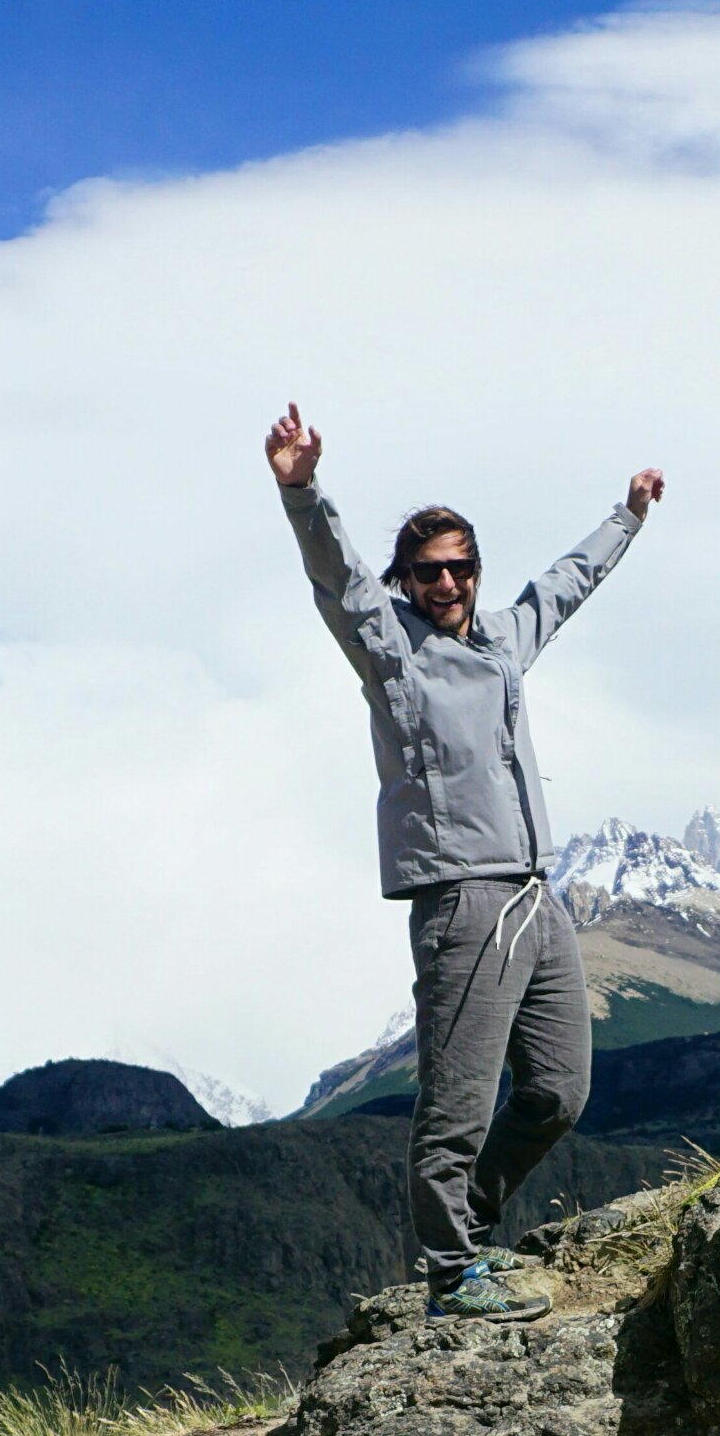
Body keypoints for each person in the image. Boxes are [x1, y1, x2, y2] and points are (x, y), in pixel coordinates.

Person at [266, 402, 665, 1320]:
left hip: (535, 895)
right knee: (457, 1104)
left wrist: (628, 517)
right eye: (430, 571)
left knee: (560, 1091)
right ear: (406, 580)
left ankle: (473, 1227)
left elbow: (564, 586)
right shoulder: (391, 648)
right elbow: (338, 577)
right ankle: (451, 1273)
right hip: (461, 901)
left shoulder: (503, 639)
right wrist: (302, 490)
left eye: (461, 567)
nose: (447, 583)